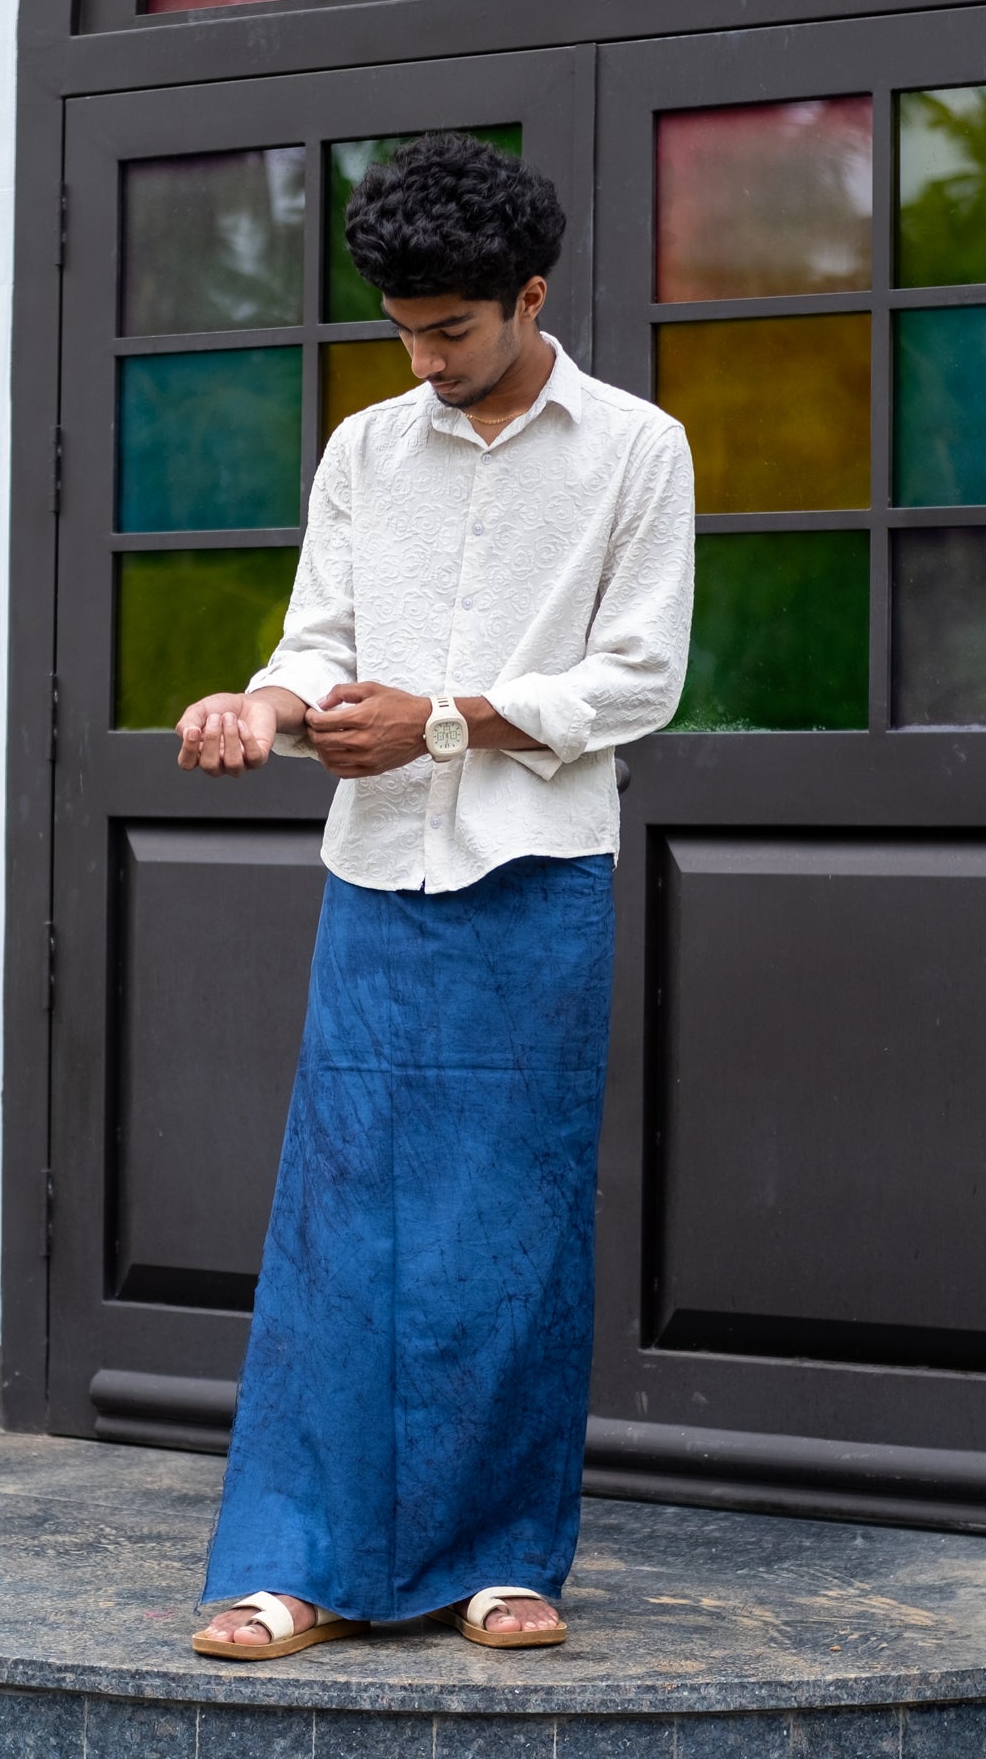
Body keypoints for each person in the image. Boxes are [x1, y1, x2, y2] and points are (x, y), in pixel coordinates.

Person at [178, 131, 694, 1660]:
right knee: (341, 1221)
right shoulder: (362, 449)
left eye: (451, 331)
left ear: (528, 298)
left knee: (512, 1228)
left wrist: (447, 719)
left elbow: (640, 678)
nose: (423, 359)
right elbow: (315, 644)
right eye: (402, 332)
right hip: (375, 875)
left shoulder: (636, 450)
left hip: (537, 879)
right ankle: (295, 1564)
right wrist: (257, 710)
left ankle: (504, 1559)